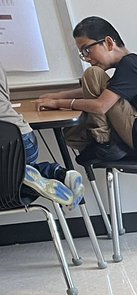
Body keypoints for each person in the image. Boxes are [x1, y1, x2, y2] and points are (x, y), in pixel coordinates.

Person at [34, 17, 137, 164]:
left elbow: (101, 105)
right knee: (71, 133)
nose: (86, 58)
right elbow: (105, 91)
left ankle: (105, 144)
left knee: (92, 74)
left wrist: (58, 103)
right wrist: (57, 96)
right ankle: (107, 144)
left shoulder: (131, 65)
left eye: (87, 50)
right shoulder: (135, 63)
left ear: (109, 43)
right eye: (82, 54)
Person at [0, 63, 85, 207]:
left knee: (8, 184)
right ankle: (57, 174)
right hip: (22, 139)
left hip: (8, 149)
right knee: (9, 180)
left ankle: (32, 178)